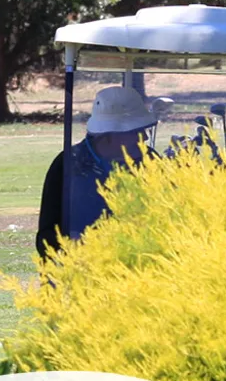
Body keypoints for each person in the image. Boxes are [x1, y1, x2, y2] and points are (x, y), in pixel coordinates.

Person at [35, 85, 155, 260]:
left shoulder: (149, 159)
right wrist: (78, 244)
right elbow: (46, 238)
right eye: (136, 131)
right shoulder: (68, 164)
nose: (144, 137)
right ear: (110, 135)